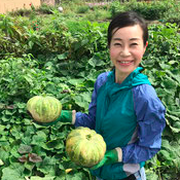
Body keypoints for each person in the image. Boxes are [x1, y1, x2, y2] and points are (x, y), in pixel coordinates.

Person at [57, 11, 166, 180]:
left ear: (144, 47)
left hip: (127, 175)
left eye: (133, 44)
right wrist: (62, 116)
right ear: (109, 46)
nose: (125, 52)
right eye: (117, 44)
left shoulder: (145, 97)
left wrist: (113, 156)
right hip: (100, 172)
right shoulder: (102, 82)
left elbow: (149, 147)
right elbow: (93, 122)